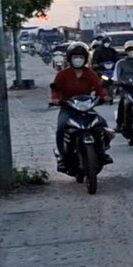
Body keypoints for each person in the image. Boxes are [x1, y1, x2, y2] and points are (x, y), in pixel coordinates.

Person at [49, 42, 113, 172]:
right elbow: (55, 89)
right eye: (75, 57)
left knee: (102, 125)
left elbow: (99, 88)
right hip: (68, 108)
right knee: (61, 128)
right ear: (70, 58)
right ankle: (62, 157)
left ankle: (102, 152)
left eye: (81, 57)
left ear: (85, 58)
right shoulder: (63, 74)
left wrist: (105, 96)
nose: (78, 59)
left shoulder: (90, 73)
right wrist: (55, 99)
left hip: (87, 107)